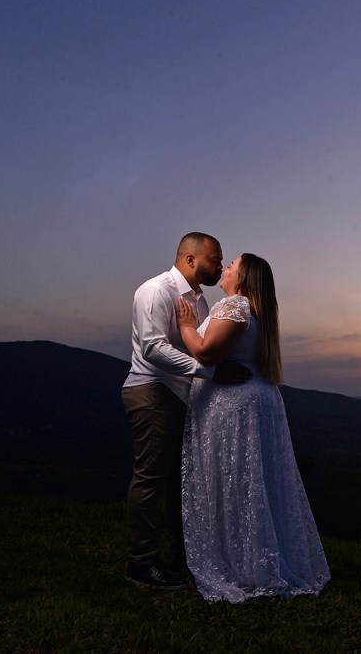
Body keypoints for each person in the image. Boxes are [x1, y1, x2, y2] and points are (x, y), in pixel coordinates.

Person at [176, 252, 330, 603]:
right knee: (252, 481)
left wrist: (186, 325)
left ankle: (241, 563)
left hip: (234, 405)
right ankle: (256, 557)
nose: (226, 268)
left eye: (232, 265)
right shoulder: (257, 313)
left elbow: (205, 352)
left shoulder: (236, 307)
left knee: (234, 480)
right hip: (257, 400)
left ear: (244, 278)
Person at [120, 232, 250, 589]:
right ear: (190, 260)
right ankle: (141, 565)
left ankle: (184, 557)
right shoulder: (157, 291)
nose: (220, 266)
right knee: (151, 479)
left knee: (182, 482)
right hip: (153, 393)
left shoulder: (200, 302)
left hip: (183, 398)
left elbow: (201, 347)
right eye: (214, 259)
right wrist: (210, 372)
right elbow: (152, 348)